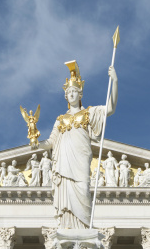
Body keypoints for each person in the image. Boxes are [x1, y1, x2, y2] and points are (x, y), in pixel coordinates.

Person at [41, 61, 118, 229]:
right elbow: (50, 142)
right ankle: (68, 229)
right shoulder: (60, 120)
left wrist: (115, 82)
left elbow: (110, 108)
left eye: (74, 91)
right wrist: (35, 144)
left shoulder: (89, 113)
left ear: (80, 94)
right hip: (64, 164)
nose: (71, 94)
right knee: (67, 198)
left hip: (80, 161)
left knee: (83, 191)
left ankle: (83, 230)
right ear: (66, 96)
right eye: (69, 92)